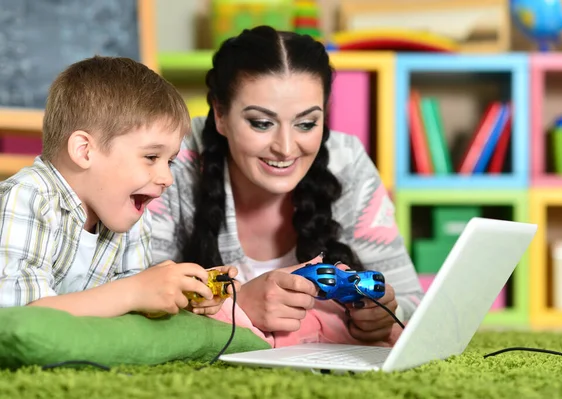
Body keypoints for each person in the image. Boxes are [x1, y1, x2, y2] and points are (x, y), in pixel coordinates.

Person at [150, 26, 424, 345]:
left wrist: (383, 316)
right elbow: (135, 296)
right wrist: (237, 305)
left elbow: (413, 304)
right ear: (220, 114)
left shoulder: (344, 159)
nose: (285, 147)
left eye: (306, 124)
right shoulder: (171, 160)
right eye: (262, 123)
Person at [0, 56, 238, 318]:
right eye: (151, 157)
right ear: (85, 151)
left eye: (169, 161)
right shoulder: (29, 197)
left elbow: (130, 309)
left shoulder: (128, 211)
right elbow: (18, 318)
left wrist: (181, 297)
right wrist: (133, 292)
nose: (167, 178)